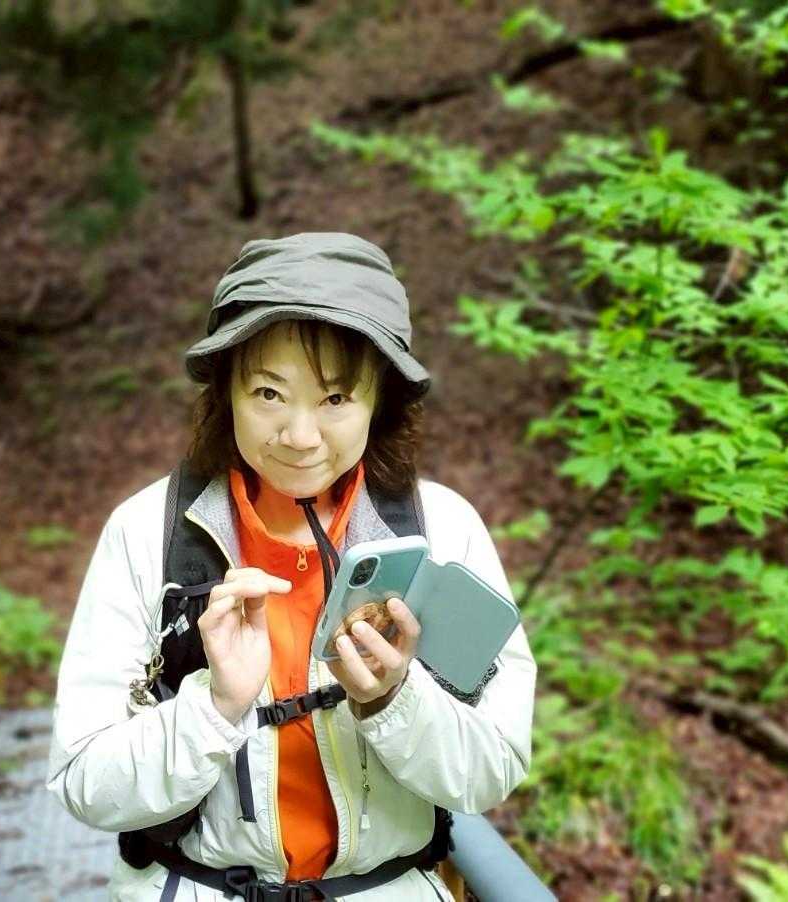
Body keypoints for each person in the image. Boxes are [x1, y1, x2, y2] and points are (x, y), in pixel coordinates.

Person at [46, 232, 537, 901]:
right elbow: (83, 782)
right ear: (226, 389)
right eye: (269, 394)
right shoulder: (147, 535)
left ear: (380, 401)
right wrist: (215, 707)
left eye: (336, 400)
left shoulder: (443, 531)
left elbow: (493, 770)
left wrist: (393, 700)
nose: (300, 437)